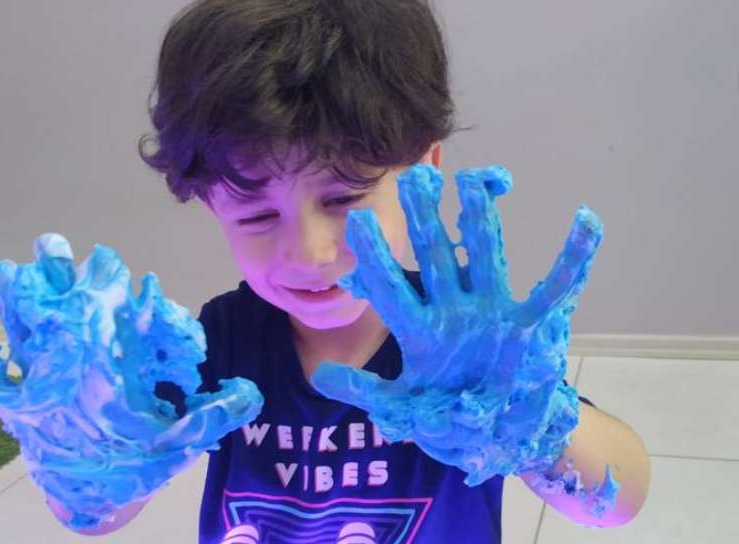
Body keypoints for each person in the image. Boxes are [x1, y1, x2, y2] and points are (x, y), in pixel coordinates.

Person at [48, 0, 650, 541]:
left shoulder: (467, 351)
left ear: (421, 172)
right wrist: (92, 445)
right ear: (212, 205)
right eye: (258, 215)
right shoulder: (218, 342)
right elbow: (96, 517)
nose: (309, 253)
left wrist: (532, 427)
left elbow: (618, 503)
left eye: (342, 198)